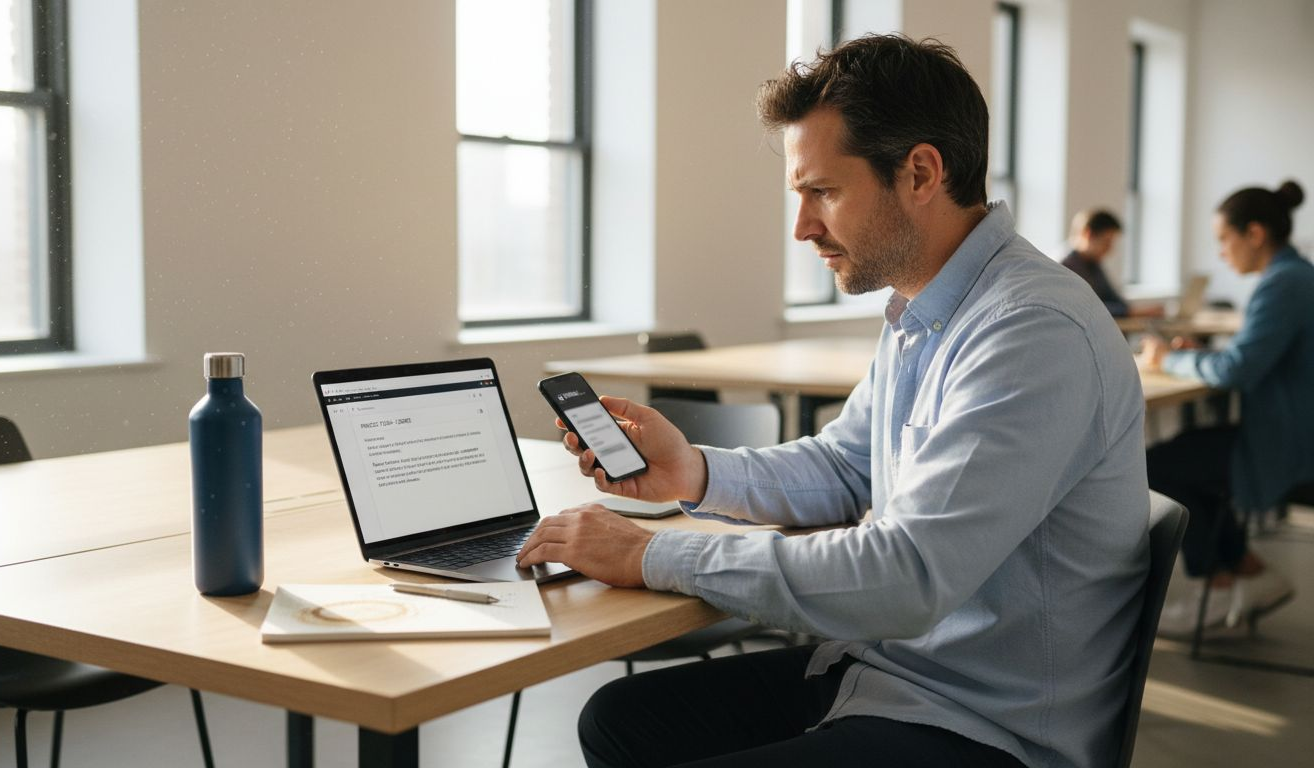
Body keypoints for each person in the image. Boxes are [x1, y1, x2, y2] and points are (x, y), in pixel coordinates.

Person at [519, 35, 1148, 768]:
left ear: (920, 172)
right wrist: (692, 472)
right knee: (620, 720)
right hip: (894, 674)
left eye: (824, 191)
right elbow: (849, 467)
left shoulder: (1031, 331)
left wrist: (656, 554)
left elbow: (908, 575)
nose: (803, 227)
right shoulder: (929, 307)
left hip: (984, 727)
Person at [1138, 180, 1313, 633]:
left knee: (1156, 466)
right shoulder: (1294, 276)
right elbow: (1251, 358)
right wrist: (1202, 355)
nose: (1221, 252)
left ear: (1254, 234)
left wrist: (1171, 358)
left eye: (1223, 240)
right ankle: (1249, 572)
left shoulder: (1284, 283)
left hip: (1287, 444)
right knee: (1177, 457)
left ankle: (1216, 586)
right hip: (1292, 432)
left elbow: (1238, 370)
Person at [1061, 209, 1162, 318]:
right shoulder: (1065, 266)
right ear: (1088, 234)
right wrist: (1131, 312)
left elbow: (1113, 298)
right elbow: (1084, 307)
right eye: (1106, 242)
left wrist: (1131, 310)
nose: (1109, 249)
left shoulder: (1093, 265)